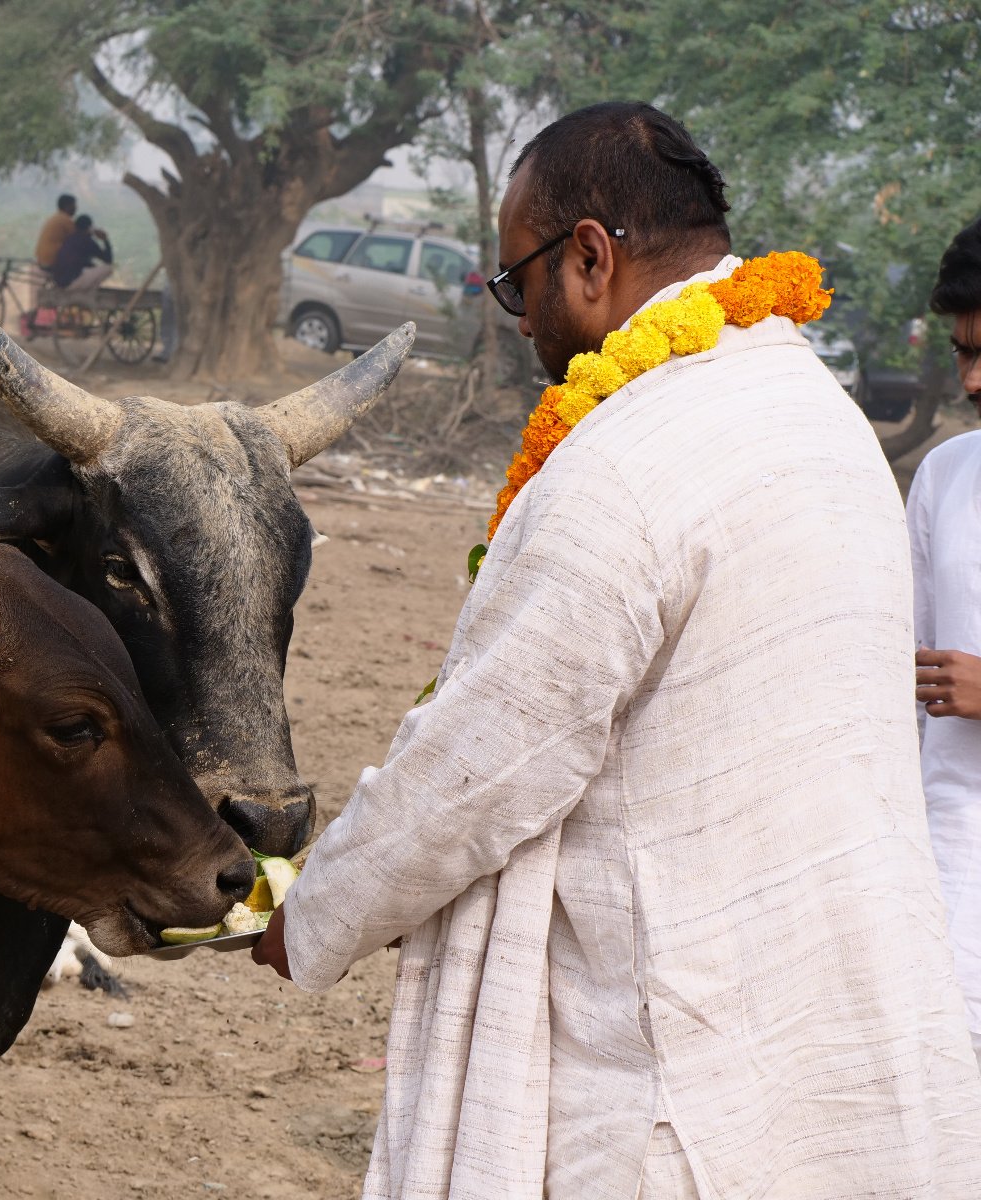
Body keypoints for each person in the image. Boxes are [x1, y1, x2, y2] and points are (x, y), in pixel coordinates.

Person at [254, 101, 981, 1197]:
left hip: (671, 1090)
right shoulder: (816, 411)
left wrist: (307, 910)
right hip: (839, 1063)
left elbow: (480, 763)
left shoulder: (624, 462)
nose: (516, 319)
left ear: (590, 256)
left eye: (516, 283)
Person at [908, 216, 981, 1063]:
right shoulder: (945, 476)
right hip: (945, 862)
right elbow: (900, 681)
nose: (971, 379)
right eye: (963, 353)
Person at [50, 214, 113, 292]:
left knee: (91, 268)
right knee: (108, 268)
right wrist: (105, 240)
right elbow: (108, 260)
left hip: (59, 282)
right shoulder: (87, 241)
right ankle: (89, 293)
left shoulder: (70, 238)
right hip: (71, 283)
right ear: (90, 228)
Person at [35, 193, 77, 271]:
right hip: (51, 261)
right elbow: (78, 238)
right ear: (67, 206)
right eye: (74, 205)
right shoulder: (66, 220)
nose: (76, 208)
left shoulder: (55, 217)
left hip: (41, 259)